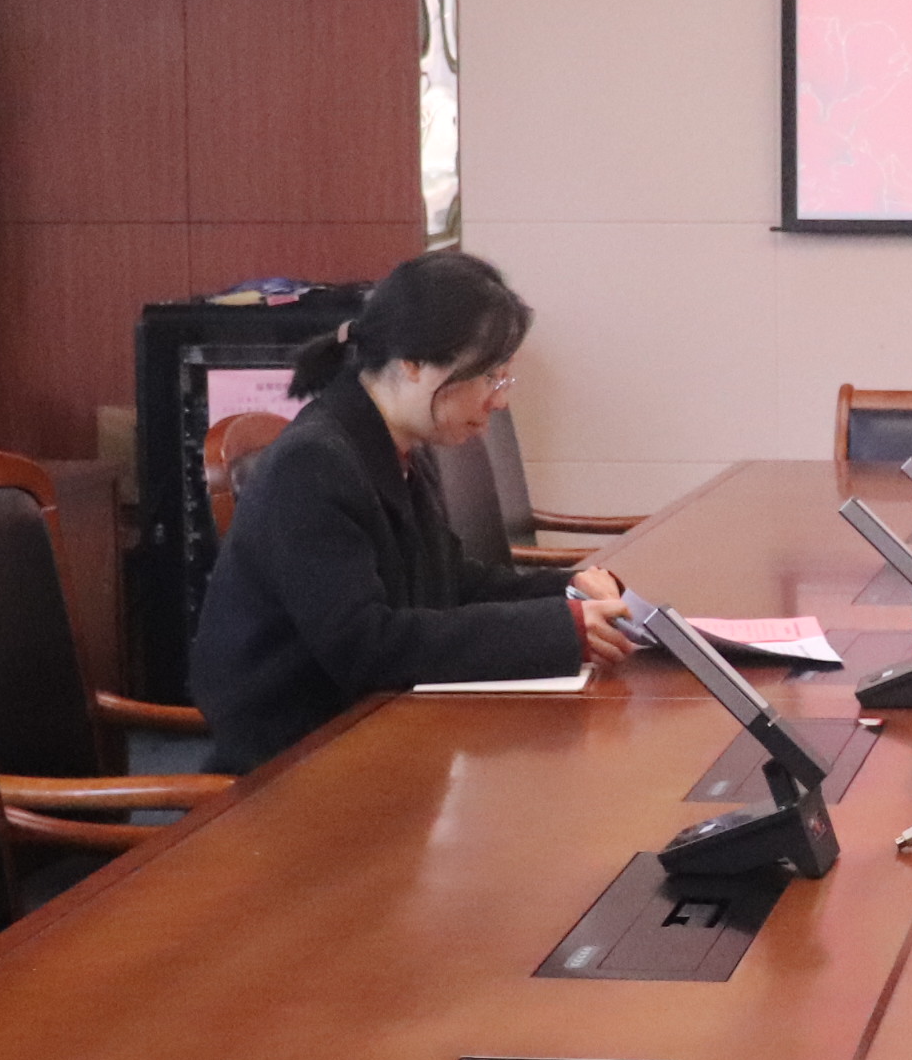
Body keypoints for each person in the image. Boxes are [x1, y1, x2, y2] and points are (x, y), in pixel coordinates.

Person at [192, 250, 639, 772]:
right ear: (413, 364)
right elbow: (368, 646)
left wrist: (568, 589)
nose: (500, 401)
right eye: (490, 377)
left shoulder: (393, 446)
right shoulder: (313, 463)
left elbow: (448, 581)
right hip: (297, 764)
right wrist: (556, 630)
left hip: (375, 733)